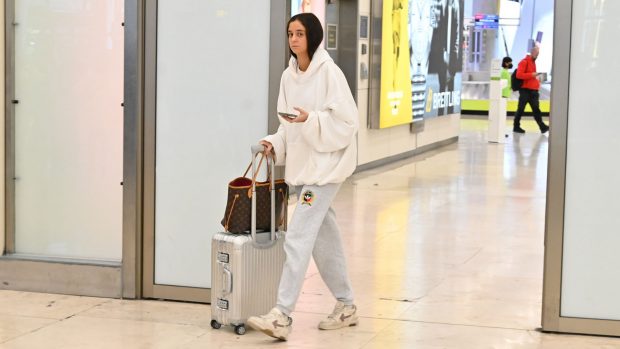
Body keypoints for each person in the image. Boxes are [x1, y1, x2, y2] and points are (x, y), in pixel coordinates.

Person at [246, 13, 359, 341]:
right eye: (290, 33)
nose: (294, 39)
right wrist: (273, 142)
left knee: (298, 236)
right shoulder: (288, 77)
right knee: (325, 240)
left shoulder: (330, 74)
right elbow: (287, 124)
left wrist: (313, 120)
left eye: (300, 33)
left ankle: (281, 315)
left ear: (313, 36)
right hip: (305, 169)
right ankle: (347, 304)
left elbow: (346, 123)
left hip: (326, 170)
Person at [513, 45, 549, 134]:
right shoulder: (524, 62)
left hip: (533, 91)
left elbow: (532, 76)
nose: (537, 55)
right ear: (532, 52)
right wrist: (532, 75)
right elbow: (519, 75)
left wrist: (537, 79)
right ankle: (516, 126)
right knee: (521, 109)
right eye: (536, 53)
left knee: (536, 109)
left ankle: (542, 126)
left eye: (538, 53)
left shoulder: (533, 62)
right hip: (525, 90)